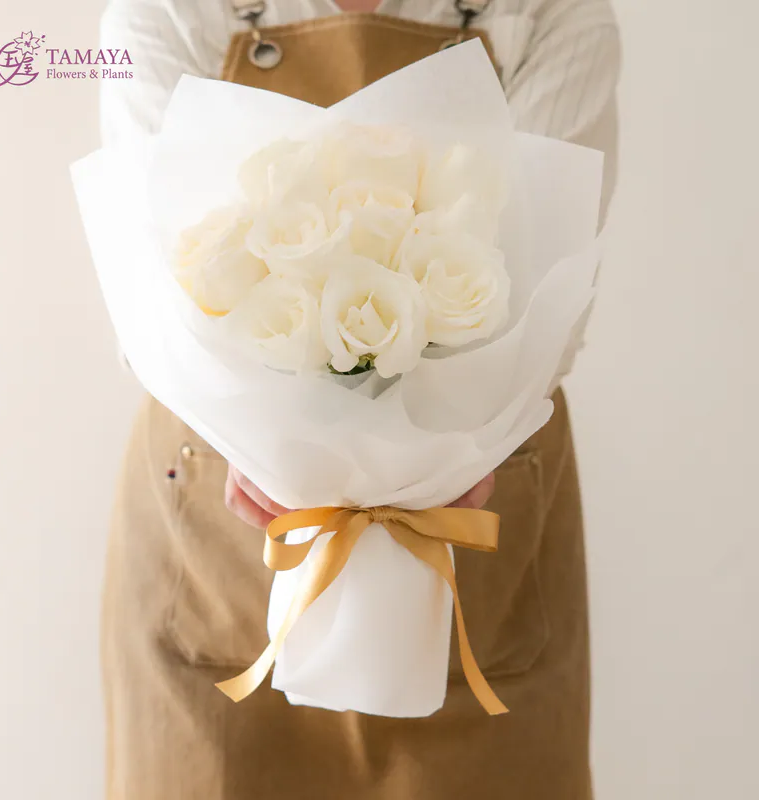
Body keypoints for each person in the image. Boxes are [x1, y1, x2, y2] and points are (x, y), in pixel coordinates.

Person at [98, 1, 621, 798]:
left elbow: (546, 290)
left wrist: (443, 456)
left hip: (479, 554)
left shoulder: (548, 12)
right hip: (221, 559)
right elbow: (157, 289)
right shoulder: (169, 9)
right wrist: (272, 449)